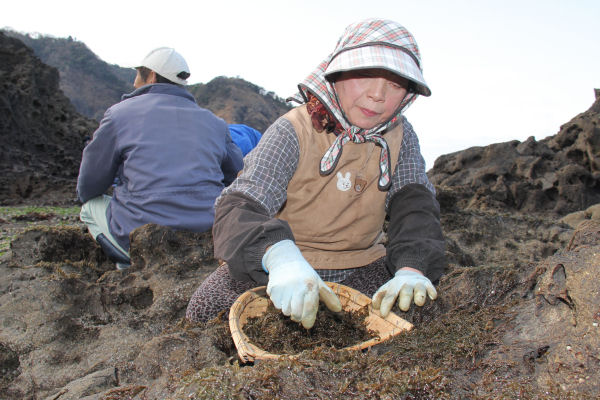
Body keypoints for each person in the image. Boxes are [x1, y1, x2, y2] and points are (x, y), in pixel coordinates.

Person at [186, 18, 446, 328]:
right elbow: (239, 205)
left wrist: (412, 269)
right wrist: (280, 258)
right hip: (284, 267)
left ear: (408, 93)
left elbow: (415, 206)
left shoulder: (402, 137)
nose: (378, 94)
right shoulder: (293, 129)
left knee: (417, 310)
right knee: (206, 310)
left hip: (361, 265)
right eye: (364, 74)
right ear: (335, 75)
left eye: (394, 83)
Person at [77, 47, 243, 269]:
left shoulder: (118, 115)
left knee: (90, 206)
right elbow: (238, 175)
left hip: (142, 235)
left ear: (152, 75)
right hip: (207, 235)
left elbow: (89, 185)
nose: (135, 82)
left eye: (138, 74)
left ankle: (129, 267)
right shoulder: (215, 123)